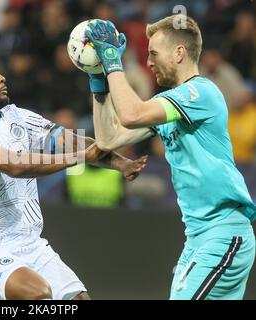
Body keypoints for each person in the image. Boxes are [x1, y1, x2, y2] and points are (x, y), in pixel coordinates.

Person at [0, 50, 148, 300]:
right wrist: (82, 159)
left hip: (31, 243)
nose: (2, 77)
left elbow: (75, 143)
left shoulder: (19, 117)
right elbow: (13, 165)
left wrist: (119, 163)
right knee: (37, 294)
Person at [85, 16, 256, 299]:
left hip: (223, 233)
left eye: (153, 53)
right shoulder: (170, 104)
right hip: (197, 238)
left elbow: (131, 114)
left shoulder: (201, 92)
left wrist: (114, 61)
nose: (148, 62)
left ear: (179, 53)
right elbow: (108, 139)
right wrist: (99, 82)